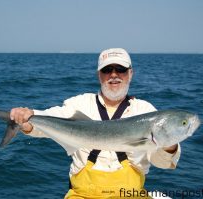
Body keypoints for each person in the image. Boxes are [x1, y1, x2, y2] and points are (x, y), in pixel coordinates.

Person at [10, 48, 180, 198]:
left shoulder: (146, 111)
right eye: (107, 70)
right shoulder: (79, 104)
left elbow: (163, 163)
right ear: (99, 75)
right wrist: (29, 119)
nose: (114, 75)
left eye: (120, 69)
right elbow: (52, 118)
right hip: (82, 195)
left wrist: (169, 145)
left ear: (130, 74)